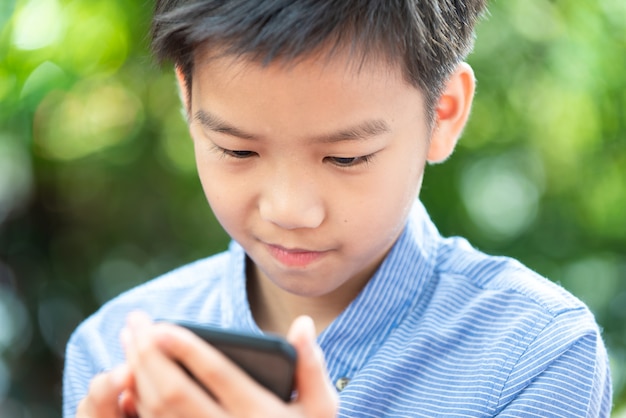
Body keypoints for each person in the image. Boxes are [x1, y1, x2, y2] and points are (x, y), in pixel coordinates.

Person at [63, 1, 613, 417]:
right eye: (236, 150)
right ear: (188, 98)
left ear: (443, 114)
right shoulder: (111, 352)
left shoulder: (535, 355)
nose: (290, 211)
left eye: (345, 157)